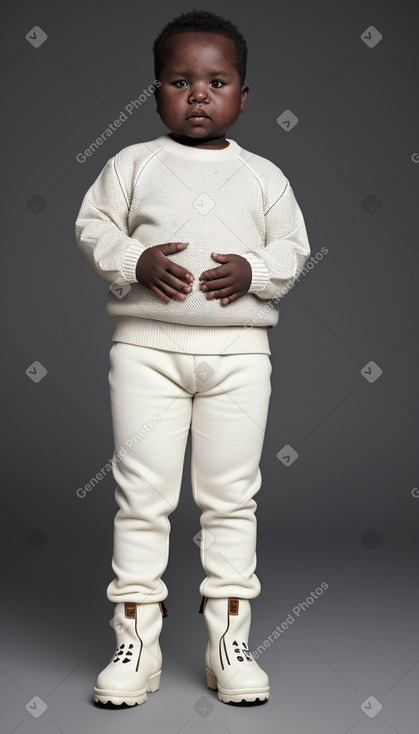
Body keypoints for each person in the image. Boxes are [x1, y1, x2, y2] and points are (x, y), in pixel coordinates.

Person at [75, 8, 311, 708]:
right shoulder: (131, 165)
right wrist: (133, 259)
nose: (198, 94)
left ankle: (227, 640)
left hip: (239, 357)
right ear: (155, 93)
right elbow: (93, 228)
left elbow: (293, 248)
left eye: (217, 81)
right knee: (141, 499)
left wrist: (256, 274)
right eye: (181, 81)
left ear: (242, 94)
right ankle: (135, 638)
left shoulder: (264, 176)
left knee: (230, 500)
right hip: (145, 354)